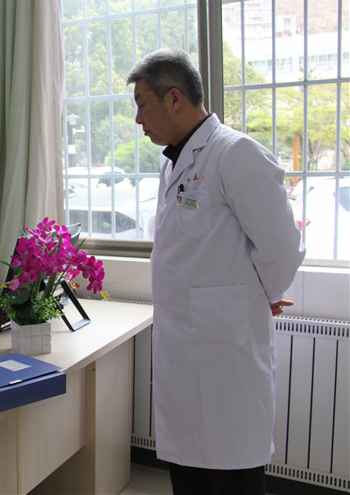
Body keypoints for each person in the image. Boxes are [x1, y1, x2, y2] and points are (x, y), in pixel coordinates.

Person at [126, 48, 305, 495]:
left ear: (174, 98)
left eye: (142, 104)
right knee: (189, 477)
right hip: (186, 351)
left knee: (231, 479)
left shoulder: (234, 153)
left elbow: (283, 246)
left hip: (226, 356)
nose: (138, 119)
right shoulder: (173, 162)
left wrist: (262, 293)